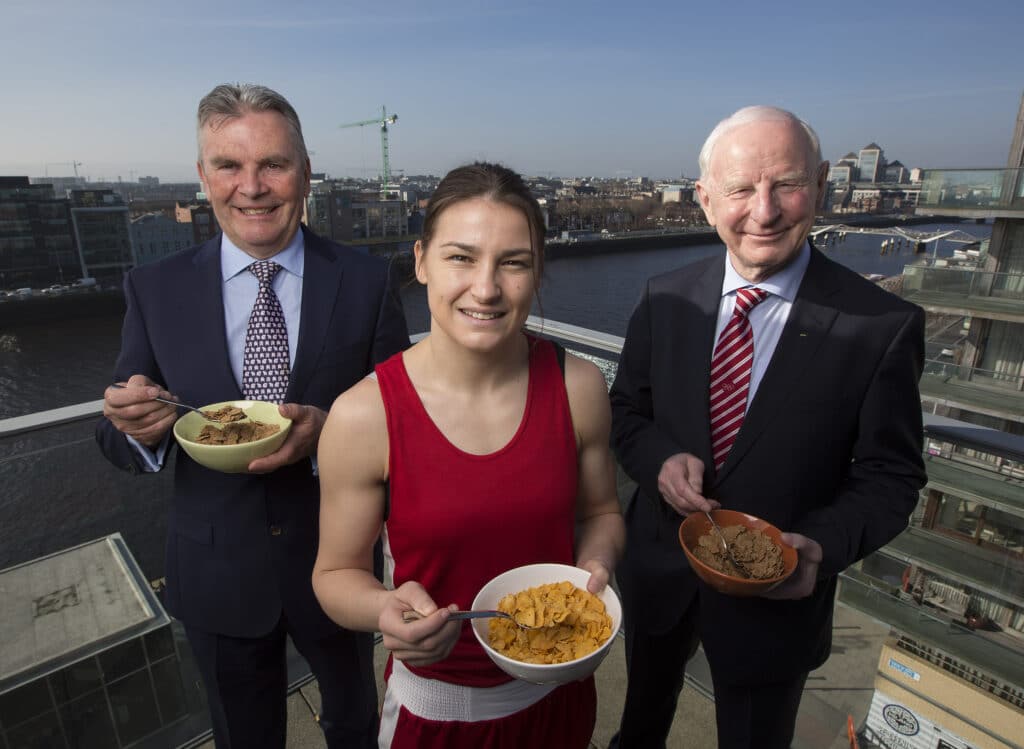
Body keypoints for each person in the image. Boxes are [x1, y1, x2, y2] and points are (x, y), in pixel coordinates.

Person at [95, 83, 409, 748]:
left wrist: (332, 435)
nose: (252, 186)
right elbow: (115, 434)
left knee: (356, 726)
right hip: (216, 578)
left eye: (273, 163)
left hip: (340, 567)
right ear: (203, 178)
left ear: (306, 172)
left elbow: (404, 424)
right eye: (229, 166)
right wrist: (138, 428)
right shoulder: (153, 288)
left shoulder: (367, 280)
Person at [608, 106, 926, 749]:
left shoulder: (881, 325)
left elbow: (892, 477)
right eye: (739, 189)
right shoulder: (662, 296)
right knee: (638, 724)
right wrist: (660, 461)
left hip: (779, 597)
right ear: (704, 200)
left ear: (823, 184)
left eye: (786, 184)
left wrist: (822, 548)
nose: (764, 210)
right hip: (660, 571)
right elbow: (627, 413)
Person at [311, 162, 626, 748]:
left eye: (514, 262)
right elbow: (333, 575)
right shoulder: (365, 415)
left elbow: (602, 513)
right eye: (461, 257)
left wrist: (596, 566)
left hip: (561, 696)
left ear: (536, 275)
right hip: (438, 719)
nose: (486, 288)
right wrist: (381, 609)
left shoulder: (578, 387)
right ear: (422, 260)